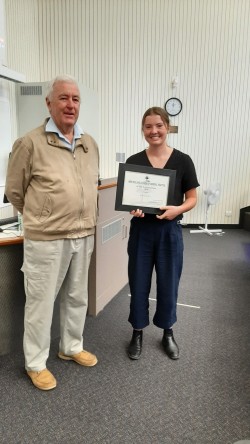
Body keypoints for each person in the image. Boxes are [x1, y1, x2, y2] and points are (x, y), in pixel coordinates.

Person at [5, 75, 99, 390]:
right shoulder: (29, 143)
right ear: (49, 103)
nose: (70, 105)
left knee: (77, 297)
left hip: (83, 234)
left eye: (75, 99)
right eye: (63, 98)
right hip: (47, 238)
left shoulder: (89, 143)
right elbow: (14, 192)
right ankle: (35, 363)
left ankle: (71, 346)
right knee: (41, 302)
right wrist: (42, 214)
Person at [126, 106, 199, 360]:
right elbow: (129, 200)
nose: (153, 131)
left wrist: (177, 209)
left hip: (170, 232)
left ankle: (168, 332)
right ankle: (137, 331)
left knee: (168, 283)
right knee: (138, 282)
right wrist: (133, 210)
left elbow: (192, 198)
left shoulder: (183, 160)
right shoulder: (134, 161)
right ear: (143, 129)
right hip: (142, 232)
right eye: (148, 126)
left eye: (159, 125)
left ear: (167, 127)